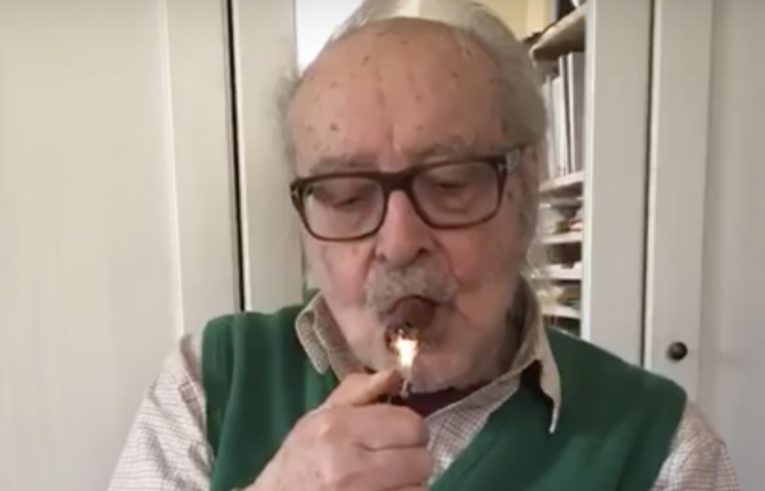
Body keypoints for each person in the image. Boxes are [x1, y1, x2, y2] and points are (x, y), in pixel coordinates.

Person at [109, 1, 739, 490]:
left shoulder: (663, 448)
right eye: (346, 196)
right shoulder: (206, 383)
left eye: (451, 183)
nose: (399, 243)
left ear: (526, 191)